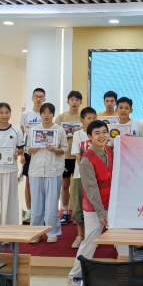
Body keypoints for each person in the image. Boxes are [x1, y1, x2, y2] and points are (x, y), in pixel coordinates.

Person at [68, 120, 113, 286]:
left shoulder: (109, 151)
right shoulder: (87, 160)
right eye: (97, 133)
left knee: (121, 240)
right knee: (90, 242)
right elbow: (91, 189)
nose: (102, 136)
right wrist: (101, 212)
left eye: (104, 132)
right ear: (89, 137)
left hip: (111, 204)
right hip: (95, 208)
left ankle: (129, 272)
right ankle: (75, 275)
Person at [23, 103, 68, 243]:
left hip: (53, 170)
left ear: (53, 114)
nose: (46, 115)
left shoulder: (59, 130)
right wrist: (37, 146)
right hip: (36, 170)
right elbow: (28, 150)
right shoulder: (33, 130)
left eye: (49, 112)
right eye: (44, 112)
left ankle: (52, 232)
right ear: (40, 114)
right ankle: (36, 233)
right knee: (36, 202)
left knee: (52, 203)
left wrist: (54, 149)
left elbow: (64, 149)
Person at [69, 107, 97, 249]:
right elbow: (78, 156)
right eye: (89, 118)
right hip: (80, 175)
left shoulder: (98, 133)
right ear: (82, 120)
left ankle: (94, 236)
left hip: (96, 176)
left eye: (94, 118)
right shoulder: (78, 135)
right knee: (78, 205)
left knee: (94, 205)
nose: (92, 121)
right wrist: (86, 171)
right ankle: (80, 235)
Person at [55, 90, 83, 225]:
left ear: (80, 102)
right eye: (72, 100)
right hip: (65, 156)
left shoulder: (83, 117)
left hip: (80, 156)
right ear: (68, 101)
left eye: (77, 100)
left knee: (80, 186)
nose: (74, 102)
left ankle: (80, 212)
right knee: (65, 184)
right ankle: (65, 212)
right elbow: (55, 134)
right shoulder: (61, 117)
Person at [20, 87, 46, 223]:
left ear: (44, 98)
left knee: (43, 184)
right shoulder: (26, 115)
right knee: (29, 183)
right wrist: (21, 154)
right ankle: (30, 211)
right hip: (29, 152)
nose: (38, 99)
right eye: (36, 96)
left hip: (44, 153)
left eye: (41, 97)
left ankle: (43, 212)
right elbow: (21, 134)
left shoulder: (46, 114)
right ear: (32, 98)